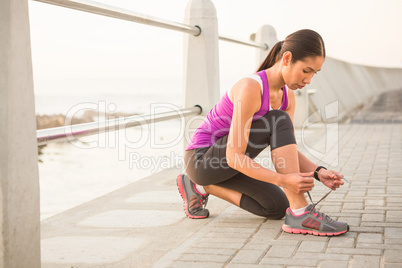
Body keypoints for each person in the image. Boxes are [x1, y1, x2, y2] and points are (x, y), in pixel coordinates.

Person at [176, 29, 349, 236]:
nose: (309, 79)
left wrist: (318, 171)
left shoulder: (288, 96)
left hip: (227, 163)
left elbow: (287, 148)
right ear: (287, 58)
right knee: (278, 119)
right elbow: (234, 156)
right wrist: (283, 180)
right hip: (203, 160)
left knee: (276, 207)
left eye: (314, 73)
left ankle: (202, 187)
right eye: (306, 70)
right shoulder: (251, 88)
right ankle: (301, 213)